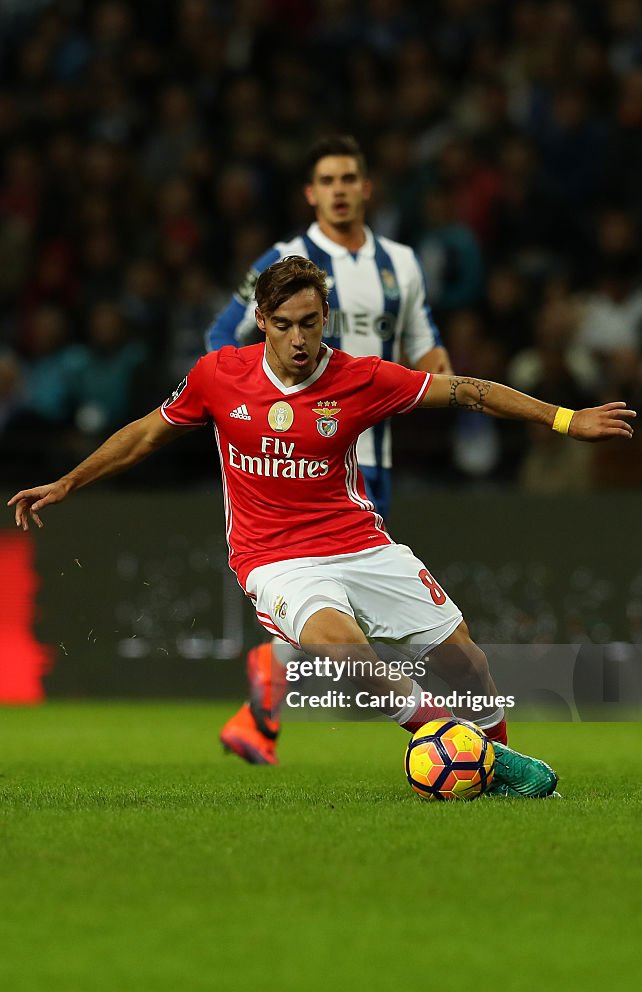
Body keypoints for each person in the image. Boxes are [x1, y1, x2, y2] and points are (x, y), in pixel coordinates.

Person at [9, 256, 637, 798]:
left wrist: (565, 419)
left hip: (360, 544)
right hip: (274, 559)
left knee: (466, 666)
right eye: (283, 325)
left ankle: (491, 757)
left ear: (325, 318)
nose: (298, 339)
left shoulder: (360, 379)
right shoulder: (218, 376)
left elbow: (468, 390)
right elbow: (146, 434)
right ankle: (460, 747)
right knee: (343, 651)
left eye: (310, 323)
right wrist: (68, 481)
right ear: (262, 321)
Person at [206, 135, 451, 764]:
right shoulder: (284, 261)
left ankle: (269, 682)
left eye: (350, 178)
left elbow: (425, 346)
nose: (340, 190)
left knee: (345, 606)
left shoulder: (401, 263)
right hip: (300, 455)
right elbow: (220, 334)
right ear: (310, 193)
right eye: (327, 180)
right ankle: (441, 734)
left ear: (367, 188)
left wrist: (443, 387)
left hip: (374, 451)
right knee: (337, 609)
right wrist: (243, 413)